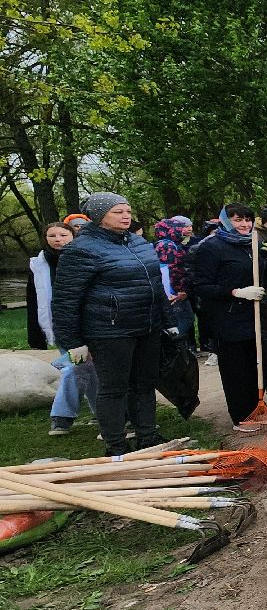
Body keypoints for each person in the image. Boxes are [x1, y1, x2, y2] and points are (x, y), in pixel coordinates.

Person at [52, 192, 177, 453]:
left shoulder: (138, 242)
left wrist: (168, 319)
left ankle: (147, 436)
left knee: (143, 384)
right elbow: (65, 301)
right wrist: (72, 342)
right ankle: (116, 444)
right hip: (109, 331)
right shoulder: (81, 249)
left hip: (147, 326)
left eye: (128, 210)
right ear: (99, 216)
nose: (126, 216)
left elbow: (155, 285)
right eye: (117, 211)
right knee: (113, 388)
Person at [188, 204, 267, 433]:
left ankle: (257, 408)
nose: (244, 225)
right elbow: (201, 286)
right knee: (236, 370)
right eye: (238, 220)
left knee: (258, 366)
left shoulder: (254, 244)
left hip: (255, 315)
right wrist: (235, 292)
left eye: (247, 220)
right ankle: (241, 417)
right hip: (228, 317)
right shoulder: (212, 247)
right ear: (226, 221)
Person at [27, 221, 99, 436]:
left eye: (62, 234)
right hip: (62, 327)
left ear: (73, 236)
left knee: (89, 369)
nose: (57, 239)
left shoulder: (86, 257)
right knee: (76, 367)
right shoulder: (39, 264)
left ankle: (97, 413)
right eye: (52, 236)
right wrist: (36, 332)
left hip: (88, 324)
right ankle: (62, 417)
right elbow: (33, 298)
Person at [153, 217, 195, 351]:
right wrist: (180, 290)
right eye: (181, 228)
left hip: (170, 292)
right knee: (183, 321)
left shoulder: (162, 244)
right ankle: (174, 351)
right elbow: (172, 270)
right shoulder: (168, 246)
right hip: (173, 294)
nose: (185, 230)